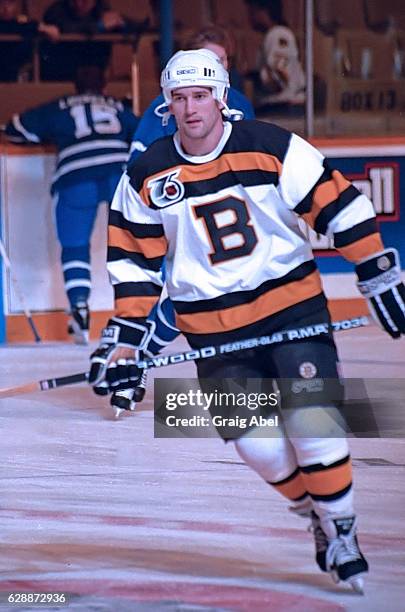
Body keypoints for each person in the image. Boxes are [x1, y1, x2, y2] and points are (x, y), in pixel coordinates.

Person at [88, 48, 405, 591]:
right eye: (179, 98)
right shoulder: (146, 172)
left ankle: (344, 530)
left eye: (200, 96)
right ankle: (317, 514)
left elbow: (337, 203)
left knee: (314, 421)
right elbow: (132, 260)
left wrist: (377, 270)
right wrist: (127, 341)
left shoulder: (270, 145)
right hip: (214, 333)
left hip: (292, 310)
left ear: (221, 97)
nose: (191, 108)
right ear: (167, 104)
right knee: (256, 445)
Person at [128, 24, 255, 358]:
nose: (216, 68)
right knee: (186, 294)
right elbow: (139, 165)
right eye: (209, 59)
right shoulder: (170, 104)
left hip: (230, 210)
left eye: (223, 61)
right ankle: (138, 355)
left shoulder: (239, 102)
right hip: (183, 209)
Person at [5, 65, 139, 344]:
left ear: (74, 87)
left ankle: (79, 308)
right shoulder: (118, 106)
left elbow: (15, 129)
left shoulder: (58, 106)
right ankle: (141, 311)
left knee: (76, 246)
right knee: (137, 240)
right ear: (104, 87)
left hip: (76, 175)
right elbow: (143, 136)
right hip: (119, 172)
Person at [40, 0, 148, 81]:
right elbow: (68, 29)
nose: (82, 3)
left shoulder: (100, 8)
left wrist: (122, 24)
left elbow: (123, 25)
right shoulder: (56, 11)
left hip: (96, 76)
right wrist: (99, 26)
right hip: (62, 76)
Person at [245, 0, 306, 114]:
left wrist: (256, 78)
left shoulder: (277, 34)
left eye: (252, 12)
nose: (249, 18)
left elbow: (279, 72)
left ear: (263, 12)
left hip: (283, 106)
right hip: (283, 106)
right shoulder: (275, 34)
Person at [0, 0, 58, 81]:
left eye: (10, 2)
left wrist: (44, 28)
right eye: (1, 3)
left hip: (12, 75)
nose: (6, 7)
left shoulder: (20, 24)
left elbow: (26, 25)